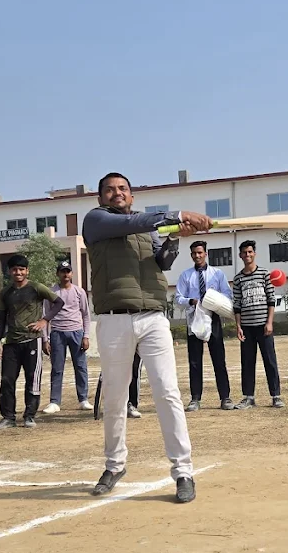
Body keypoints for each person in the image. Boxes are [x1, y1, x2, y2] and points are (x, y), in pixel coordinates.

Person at [83, 172, 210, 502]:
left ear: (132, 195)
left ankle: (183, 471)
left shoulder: (148, 228)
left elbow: (162, 262)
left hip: (153, 317)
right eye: (110, 190)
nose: (117, 193)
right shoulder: (96, 221)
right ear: (100, 197)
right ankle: (114, 465)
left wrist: (174, 238)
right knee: (115, 397)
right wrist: (177, 216)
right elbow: (130, 224)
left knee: (167, 392)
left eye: (123, 189)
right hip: (114, 319)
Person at [0, 254, 55, 430]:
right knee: (7, 380)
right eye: (14, 269)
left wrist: (44, 320)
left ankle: (29, 416)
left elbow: (58, 302)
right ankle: (8, 417)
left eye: (21, 269)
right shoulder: (5, 292)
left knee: (32, 379)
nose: (18, 273)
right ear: (9, 271)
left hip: (32, 340)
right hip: (11, 342)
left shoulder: (36, 288)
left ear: (27, 271)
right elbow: (2, 318)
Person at [174, 240, 234, 412]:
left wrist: (214, 300)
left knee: (218, 359)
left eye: (200, 252)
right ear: (191, 255)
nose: (197, 256)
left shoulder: (217, 274)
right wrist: (191, 301)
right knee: (194, 361)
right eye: (194, 253)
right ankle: (195, 398)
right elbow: (178, 298)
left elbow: (227, 294)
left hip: (213, 318)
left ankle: (225, 397)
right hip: (195, 319)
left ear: (206, 254)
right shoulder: (186, 276)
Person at [232, 239, 283, 409]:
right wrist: (238, 326)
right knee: (247, 362)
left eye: (250, 252)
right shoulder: (238, 279)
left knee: (270, 361)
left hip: (263, 326)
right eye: (244, 252)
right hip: (247, 327)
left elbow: (271, 299)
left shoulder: (264, 274)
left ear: (254, 253)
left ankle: (276, 396)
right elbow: (237, 304)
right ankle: (249, 397)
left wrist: (269, 322)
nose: (247, 255)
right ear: (240, 255)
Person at [42, 261, 93, 415]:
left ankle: (83, 399)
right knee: (57, 368)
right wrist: (45, 339)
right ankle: (54, 402)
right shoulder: (51, 292)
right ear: (58, 273)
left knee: (81, 367)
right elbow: (45, 316)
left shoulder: (79, 291)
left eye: (68, 271)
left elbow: (86, 314)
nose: (65, 274)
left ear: (71, 273)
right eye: (62, 271)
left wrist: (86, 336)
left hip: (76, 332)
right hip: (57, 332)